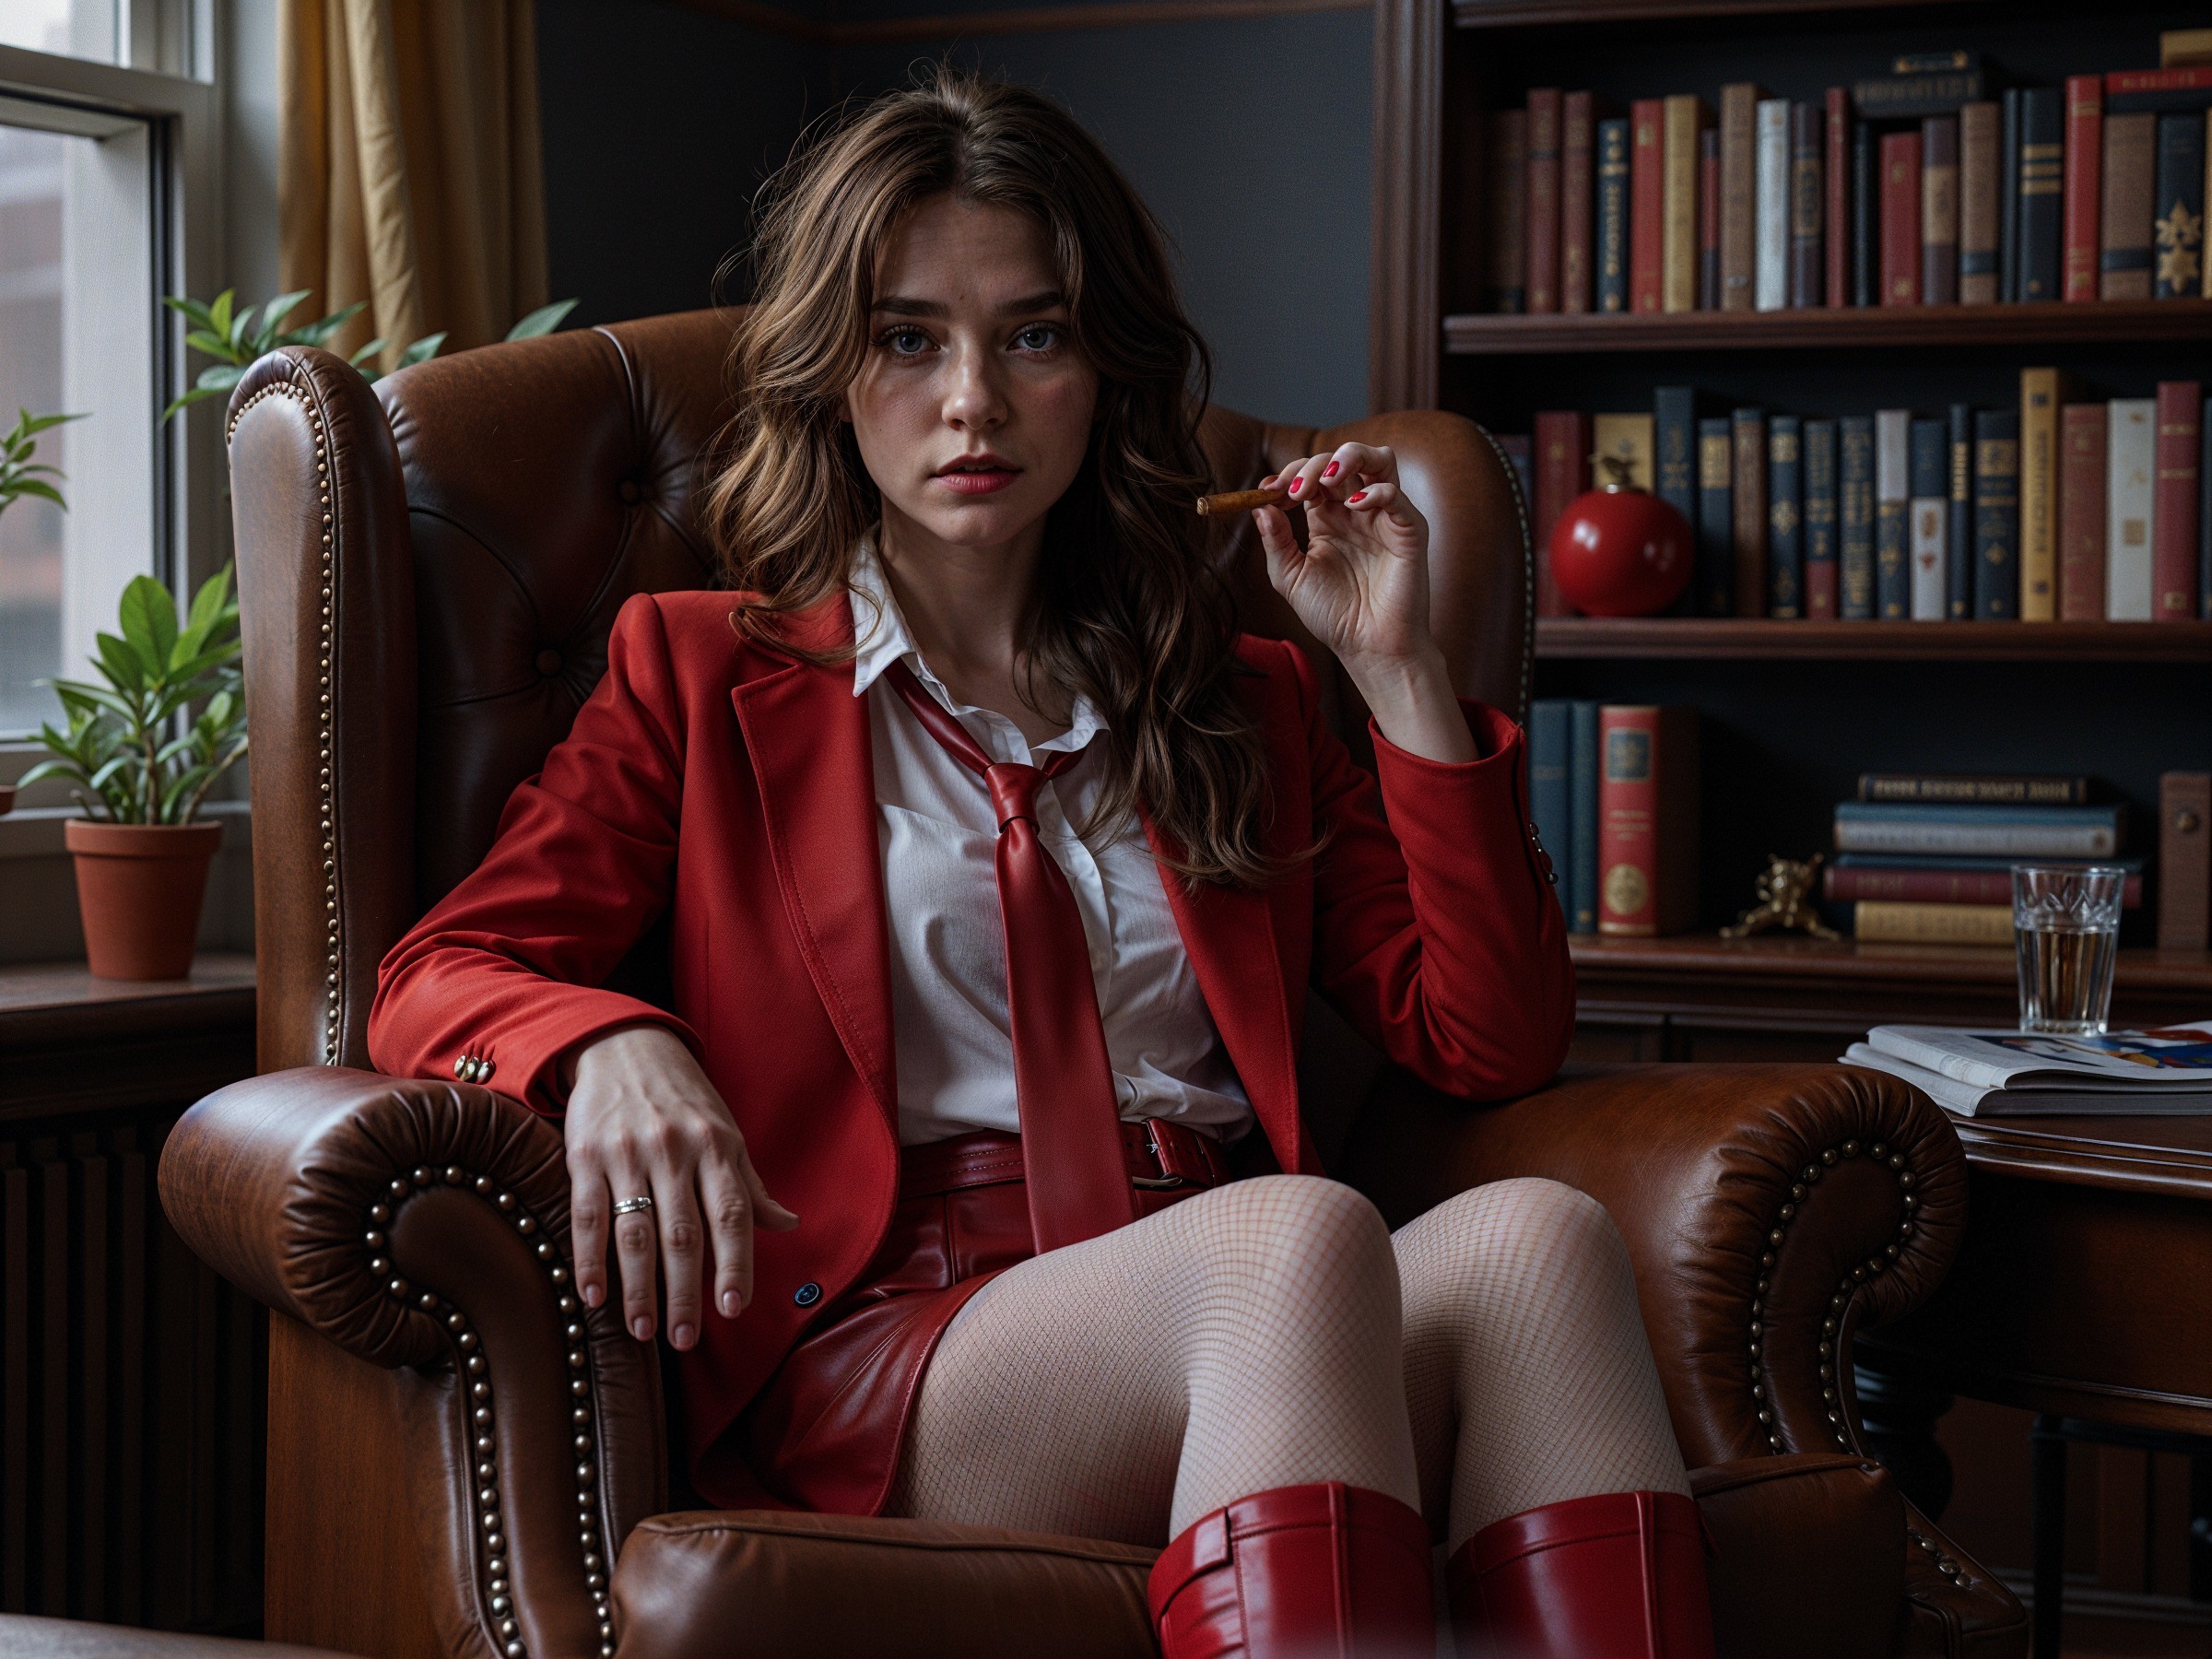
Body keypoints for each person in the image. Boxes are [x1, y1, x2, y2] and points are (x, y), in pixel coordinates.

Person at [370, 71, 1712, 1659]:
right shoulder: (700, 676)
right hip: (903, 1341)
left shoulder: (1246, 697)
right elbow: (434, 976)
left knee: (1541, 1245)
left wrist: (1402, 681)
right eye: (909, 337)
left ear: (1103, 372)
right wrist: (612, 1042)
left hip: (1269, 1307)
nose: (972, 404)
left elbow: (1488, 1038)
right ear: (832, 370)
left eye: (1034, 334)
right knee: (1292, 1239)